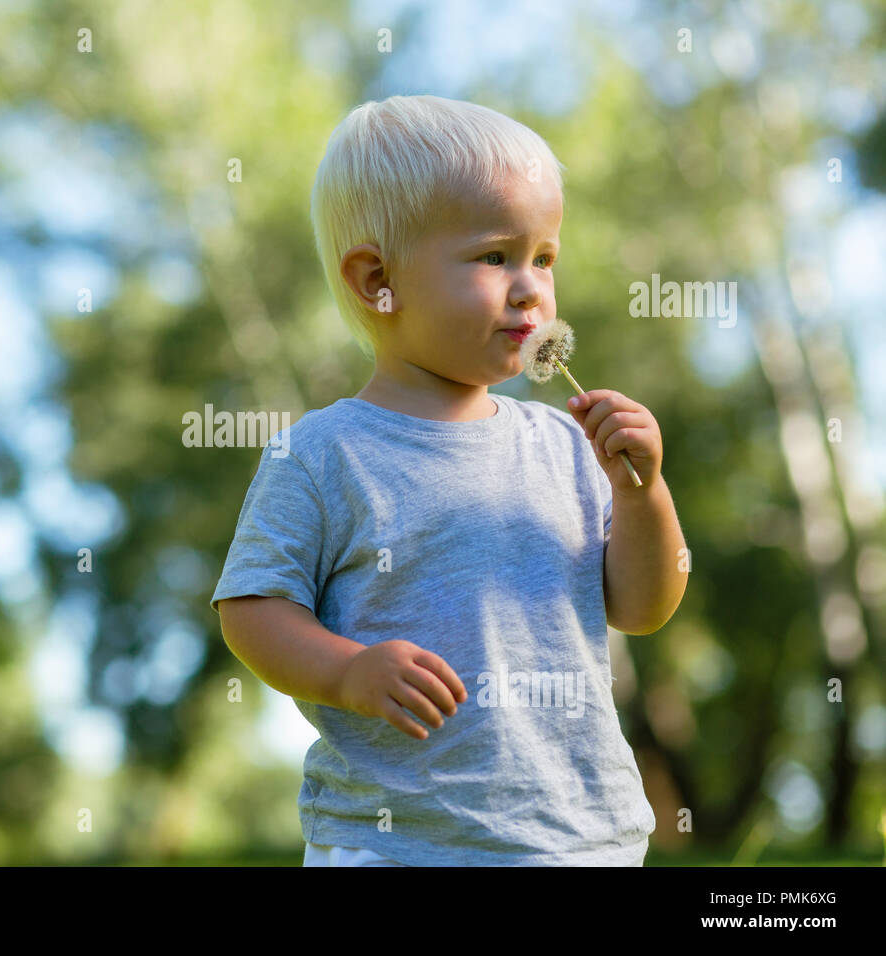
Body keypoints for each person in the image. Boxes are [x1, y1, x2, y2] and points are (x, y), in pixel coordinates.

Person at [210, 95, 688, 866]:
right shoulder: (325, 454)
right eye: (496, 256)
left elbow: (642, 607)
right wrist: (348, 670)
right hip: (397, 840)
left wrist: (643, 494)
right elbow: (251, 608)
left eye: (545, 258)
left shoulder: (567, 447)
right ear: (377, 282)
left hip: (578, 834)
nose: (531, 287)